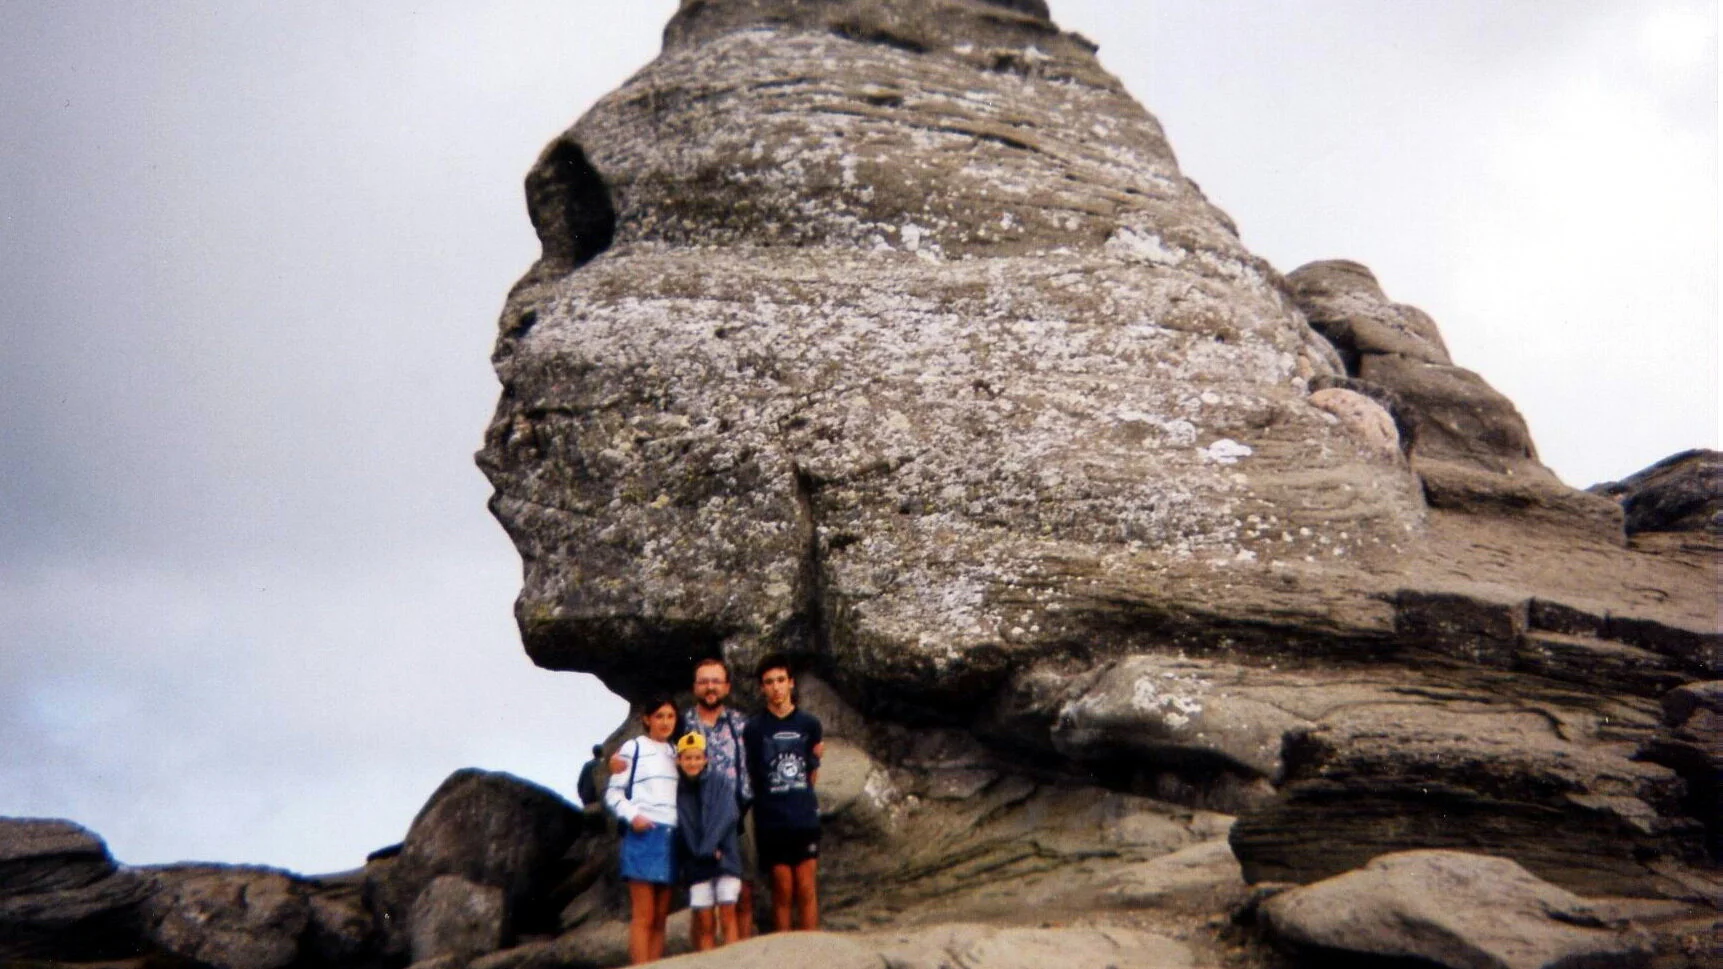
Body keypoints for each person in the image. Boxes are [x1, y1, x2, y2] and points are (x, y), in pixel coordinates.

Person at [743, 654, 824, 932]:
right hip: (771, 819)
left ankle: (813, 951)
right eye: (769, 682)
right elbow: (752, 773)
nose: (776, 687)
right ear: (761, 688)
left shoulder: (809, 724)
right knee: (782, 888)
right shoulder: (753, 729)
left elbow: (812, 771)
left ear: (791, 683)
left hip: (803, 816)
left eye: (780, 680)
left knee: (806, 886)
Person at [679, 657, 756, 940]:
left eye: (716, 681)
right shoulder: (683, 723)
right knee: (701, 895)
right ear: (694, 687)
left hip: (739, 814)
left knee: (742, 888)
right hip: (697, 816)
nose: (710, 687)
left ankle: (742, 956)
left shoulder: (741, 723)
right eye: (704, 682)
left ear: (726, 686)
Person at [604, 697, 680, 965]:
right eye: (659, 716)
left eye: (670, 716)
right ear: (647, 719)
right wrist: (634, 816)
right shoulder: (634, 747)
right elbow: (613, 794)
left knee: (661, 916)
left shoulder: (675, 752)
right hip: (643, 834)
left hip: (671, 835)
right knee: (644, 914)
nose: (665, 722)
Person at [673, 731, 742, 951]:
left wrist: (711, 847)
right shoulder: (678, 791)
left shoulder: (720, 782)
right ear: (679, 760)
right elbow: (683, 826)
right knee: (704, 920)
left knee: (727, 912)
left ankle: (735, 962)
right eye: (687, 758)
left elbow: (726, 816)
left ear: (706, 759)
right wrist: (701, 852)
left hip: (724, 857)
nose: (692, 763)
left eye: (697, 757)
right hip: (697, 861)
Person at [576, 744, 607, 821]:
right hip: (597, 798)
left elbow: (580, 782)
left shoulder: (587, 765)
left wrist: (581, 794)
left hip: (586, 797)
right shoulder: (603, 766)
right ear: (602, 753)